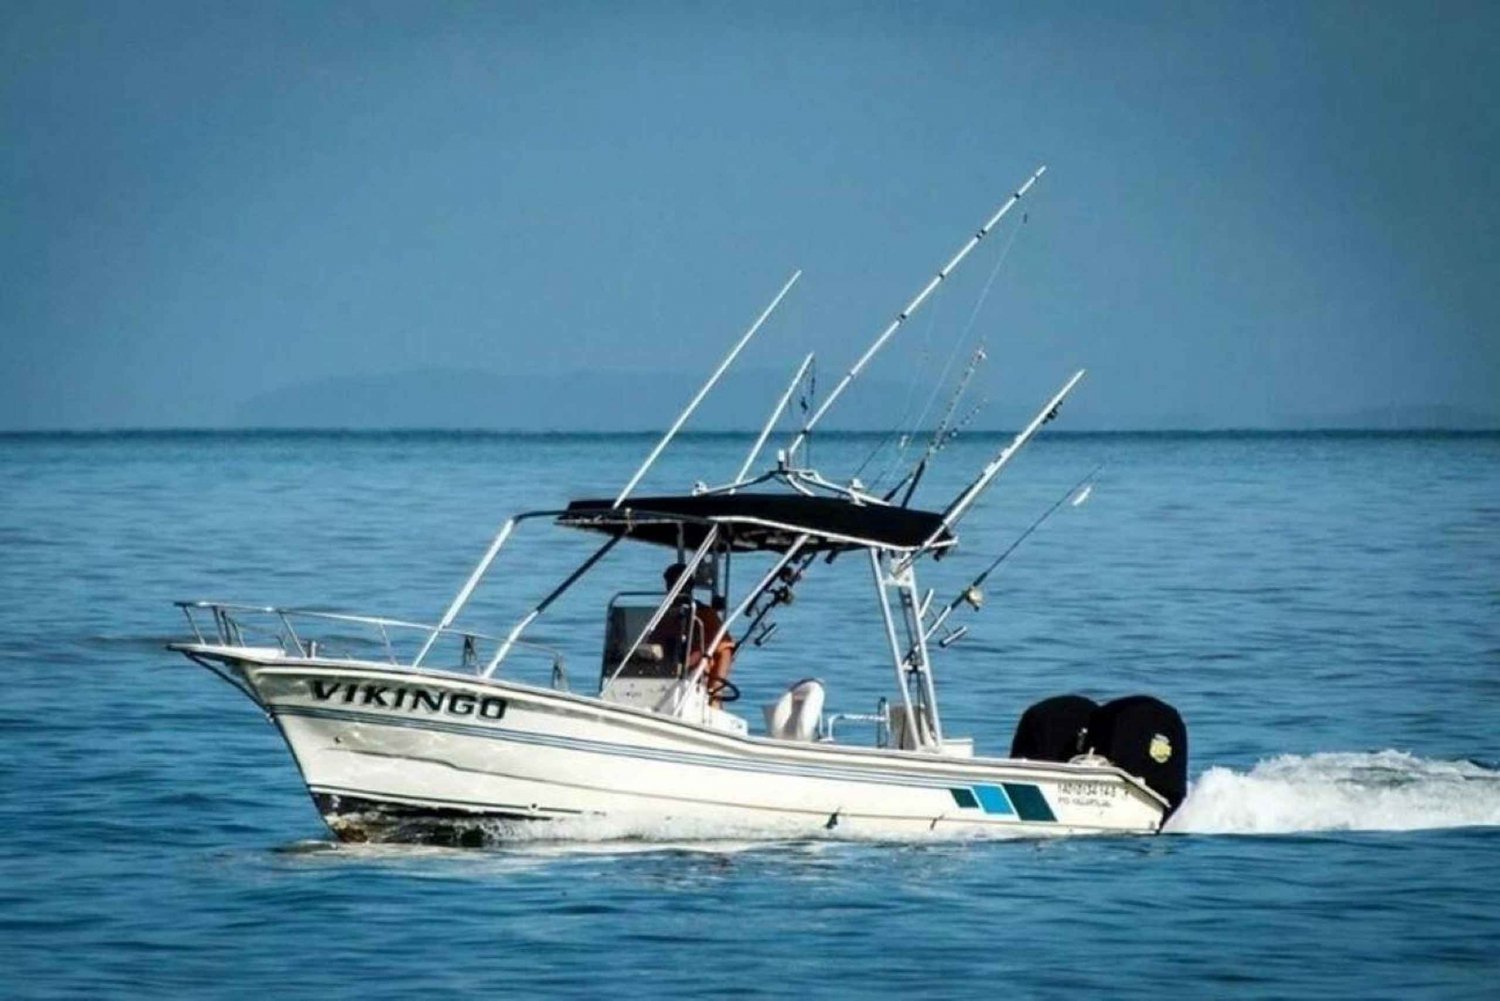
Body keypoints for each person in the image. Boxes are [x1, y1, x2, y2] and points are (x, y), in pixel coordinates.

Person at [659, 562, 735, 703]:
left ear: (690, 586)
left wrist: (715, 691)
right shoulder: (664, 616)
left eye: (681, 584)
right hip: (662, 678)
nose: (676, 589)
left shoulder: (706, 615)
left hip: (696, 683)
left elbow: (725, 652)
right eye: (672, 584)